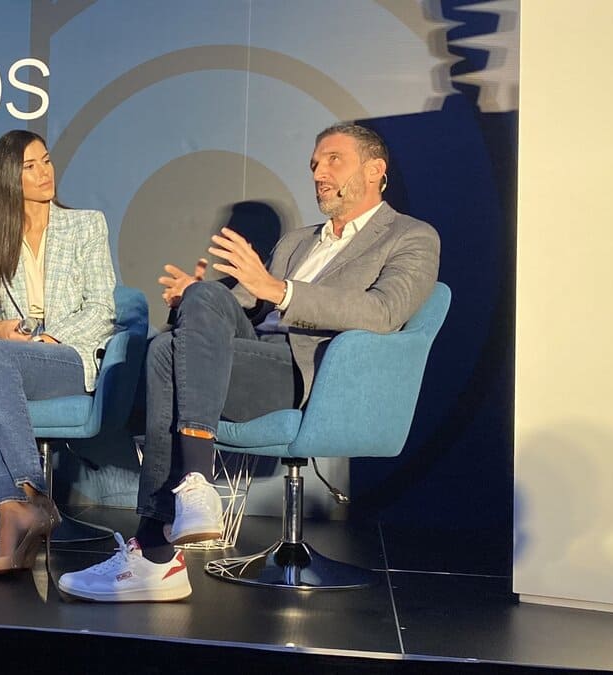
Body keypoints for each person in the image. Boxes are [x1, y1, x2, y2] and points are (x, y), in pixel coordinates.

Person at [58, 123, 441, 601]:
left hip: (310, 373)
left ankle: (157, 553)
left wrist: (281, 291)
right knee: (184, 321)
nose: (319, 172)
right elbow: (241, 307)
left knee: (163, 353)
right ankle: (192, 492)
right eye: (314, 164)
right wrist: (190, 300)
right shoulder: (298, 242)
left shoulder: (410, 236)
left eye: (333, 160)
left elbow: (384, 312)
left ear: (375, 169)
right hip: (248, 358)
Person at [0, 129, 117, 575]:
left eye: (47, 161)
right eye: (30, 167)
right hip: (13, 361)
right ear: (8, 179)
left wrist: (49, 340)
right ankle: (8, 515)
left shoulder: (86, 224)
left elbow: (103, 307)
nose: (45, 173)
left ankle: (32, 497)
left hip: (69, 357)